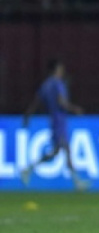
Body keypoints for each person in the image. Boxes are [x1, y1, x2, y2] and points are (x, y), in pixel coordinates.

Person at [20, 58, 90, 191]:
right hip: (59, 121)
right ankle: (77, 182)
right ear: (56, 69)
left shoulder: (45, 85)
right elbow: (61, 102)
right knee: (66, 149)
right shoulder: (57, 84)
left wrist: (27, 116)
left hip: (53, 120)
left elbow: (36, 103)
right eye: (61, 68)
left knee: (56, 152)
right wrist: (75, 109)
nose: (62, 71)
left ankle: (27, 169)